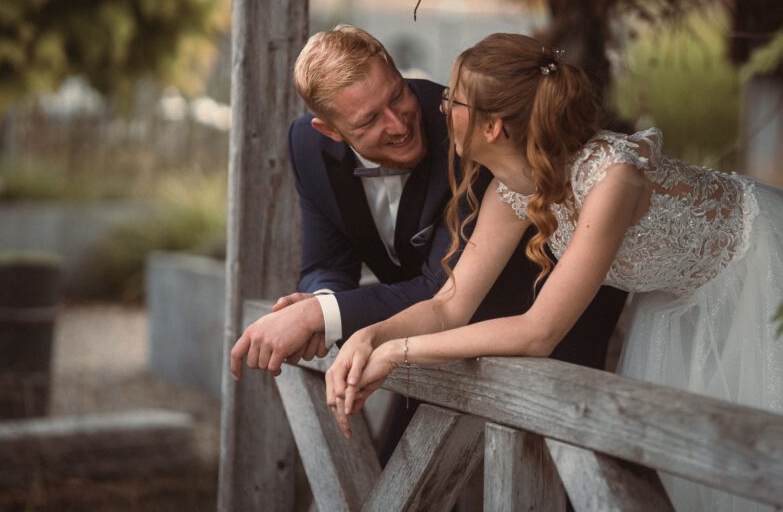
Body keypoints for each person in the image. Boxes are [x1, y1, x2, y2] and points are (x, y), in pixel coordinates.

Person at [324, 32, 783, 510]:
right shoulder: (509, 191)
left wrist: (401, 352)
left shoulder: (609, 180)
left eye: (452, 99)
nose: (438, 106)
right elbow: (449, 305)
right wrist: (369, 337)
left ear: (491, 126)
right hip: (680, 302)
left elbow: (539, 331)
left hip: (768, 274)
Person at [228, 26, 627, 455]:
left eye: (398, 95)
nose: (401, 122)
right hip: (443, 333)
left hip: (553, 332)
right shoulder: (308, 144)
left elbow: (443, 289)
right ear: (330, 130)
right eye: (369, 120)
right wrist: (324, 307)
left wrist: (327, 319)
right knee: (406, 474)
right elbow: (339, 265)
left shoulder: (471, 129)